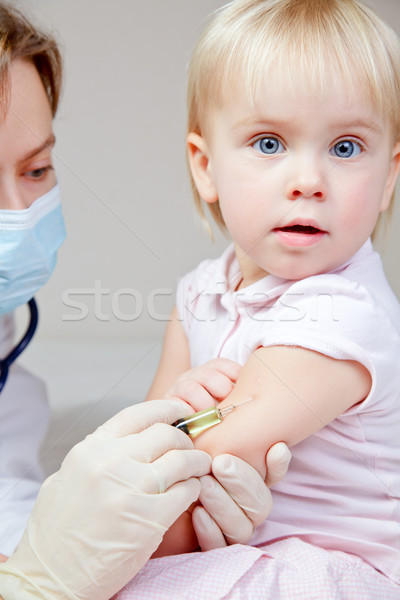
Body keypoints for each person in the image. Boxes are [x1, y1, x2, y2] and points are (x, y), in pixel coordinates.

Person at [0, 3, 291, 599]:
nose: (17, 211)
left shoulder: (14, 395)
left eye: (37, 169)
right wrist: (36, 584)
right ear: (204, 166)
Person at [114, 0, 400, 597]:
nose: (309, 180)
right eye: (269, 143)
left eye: (345, 147)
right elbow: (136, 451)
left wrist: (167, 434)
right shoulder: (199, 291)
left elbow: (201, 456)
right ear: (205, 167)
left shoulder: (344, 312)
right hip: (235, 545)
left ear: (388, 178)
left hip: (341, 565)